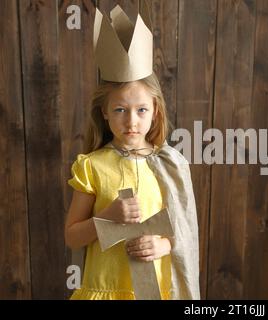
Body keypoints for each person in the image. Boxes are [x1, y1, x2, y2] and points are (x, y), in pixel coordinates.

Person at [64, 5, 199, 300]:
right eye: (120, 110)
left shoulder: (169, 165)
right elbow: (72, 237)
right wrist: (109, 218)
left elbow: (184, 233)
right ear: (105, 113)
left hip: (155, 291)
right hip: (106, 289)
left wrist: (164, 246)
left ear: (155, 111)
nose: (131, 121)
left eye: (141, 110)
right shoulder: (92, 166)